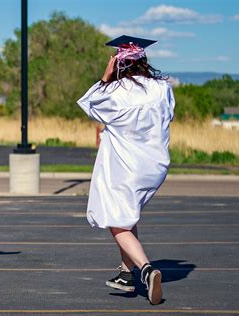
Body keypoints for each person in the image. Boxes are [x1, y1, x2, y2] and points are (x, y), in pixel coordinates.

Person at [76, 35, 175, 305]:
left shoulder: (116, 93)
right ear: (143, 62)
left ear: (119, 64)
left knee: (115, 219)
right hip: (155, 165)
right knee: (127, 216)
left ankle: (145, 269)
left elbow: (89, 104)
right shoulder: (162, 88)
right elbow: (169, 115)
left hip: (126, 166)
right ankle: (125, 274)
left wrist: (105, 78)